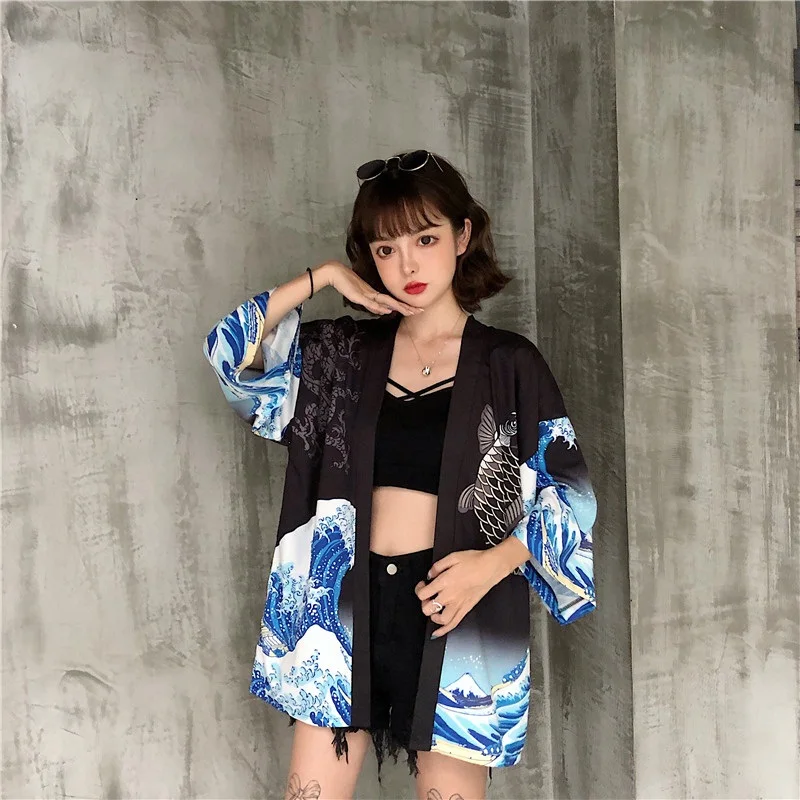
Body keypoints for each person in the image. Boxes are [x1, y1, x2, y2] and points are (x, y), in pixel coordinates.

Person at [203, 150, 597, 800]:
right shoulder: (339, 354)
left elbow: (570, 496)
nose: (407, 265)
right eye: (385, 249)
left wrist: (491, 565)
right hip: (339, 611)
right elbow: (229, 356)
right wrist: (323, 276)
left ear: (463, 236)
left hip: (454, 610)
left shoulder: (509, 364)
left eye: (425, 239)